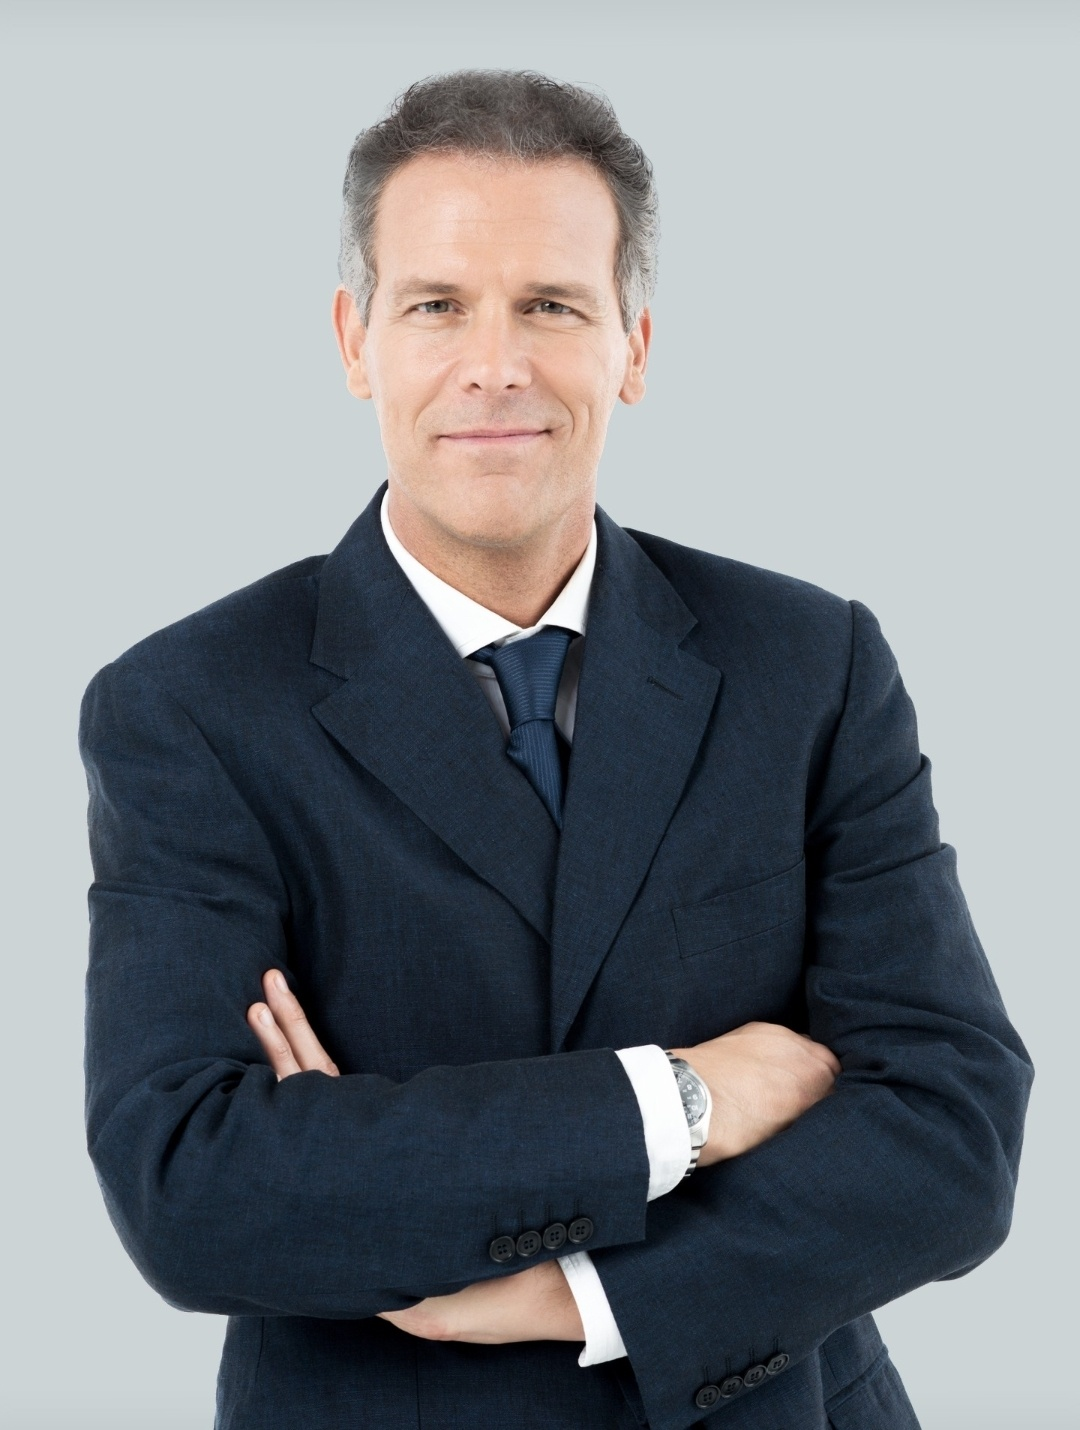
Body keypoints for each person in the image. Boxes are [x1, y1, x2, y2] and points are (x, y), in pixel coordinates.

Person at [80, 70, 1032, 1430]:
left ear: (632, 347)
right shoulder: (191, 706)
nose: (495, 364)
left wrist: (582, 1294)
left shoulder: (808, 664)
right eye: (437, 306)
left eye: (551, 306)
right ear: (355, 341)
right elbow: (193, 1186)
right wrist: (683, 1100)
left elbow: (954, 1130)